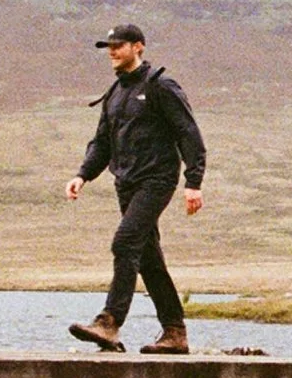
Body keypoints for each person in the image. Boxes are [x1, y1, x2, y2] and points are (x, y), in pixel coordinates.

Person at [64, 23, 208, 354]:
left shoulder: (161, 86)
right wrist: (82, 175)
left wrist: (194, 182)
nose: (112, 51)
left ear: (138, 47)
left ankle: (109, 322)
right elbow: (102, 143)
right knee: (148, 259)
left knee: (125, 243)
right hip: (125, 182)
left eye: (119, 45)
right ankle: (175, 332)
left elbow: (189, 134)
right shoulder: (114, 94)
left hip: (156, 179)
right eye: (108, 47)